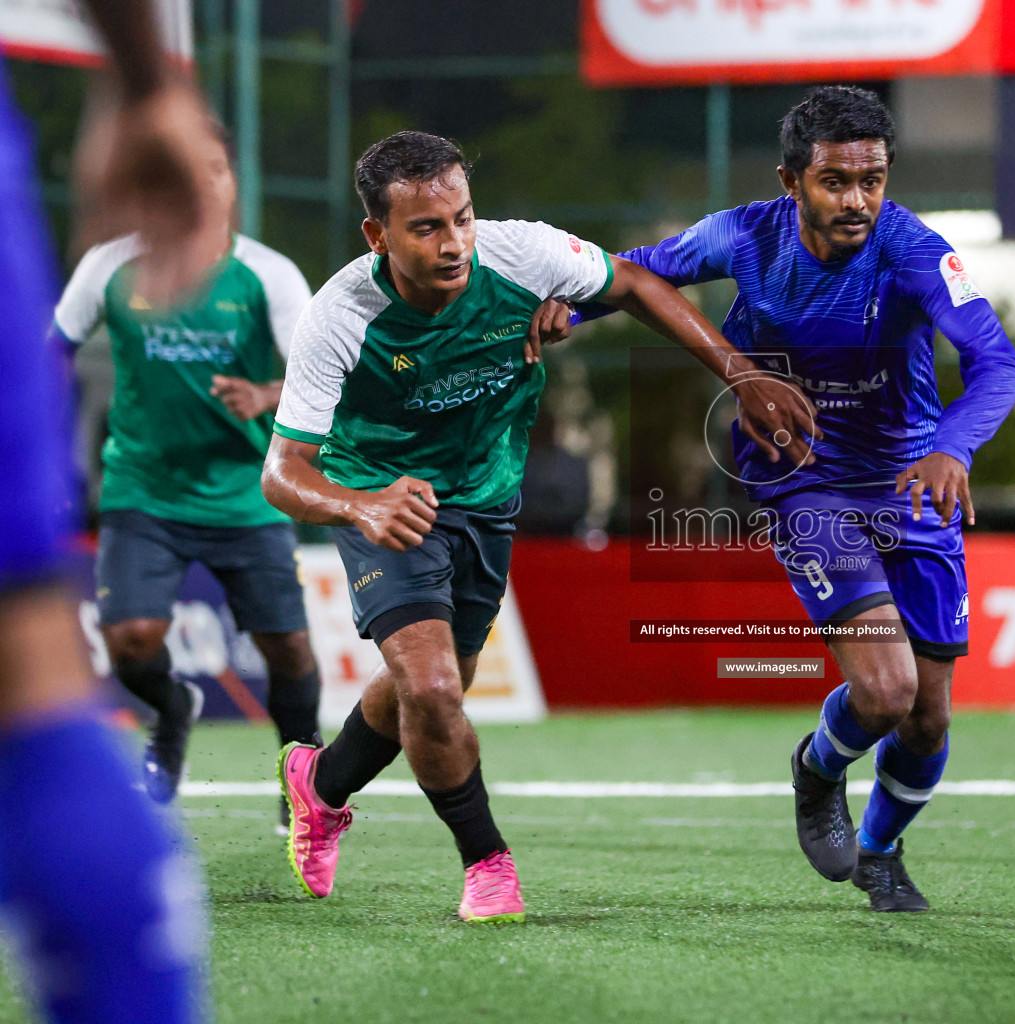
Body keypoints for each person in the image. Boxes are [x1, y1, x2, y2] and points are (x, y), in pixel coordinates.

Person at [262, 131, 815, 923]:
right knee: (433, 685)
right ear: (376, 236)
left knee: (426, 688)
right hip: (385, 500)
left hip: (488, 495)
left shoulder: (520, 255)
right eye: (426, 228)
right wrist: (358, 504)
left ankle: (320, 786)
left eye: (462, 218)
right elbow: (282, 474)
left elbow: (632, 283)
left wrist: (742, 372)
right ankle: (487, 862)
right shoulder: (341, 314)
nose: (454, 243)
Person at [534, 86, 1015, 912]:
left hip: (908, 479)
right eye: (836, 180)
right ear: (792, 179)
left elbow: (998, 361)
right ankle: (818, 768)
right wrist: (569, 313)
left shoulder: (914, 249)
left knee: (929, 716)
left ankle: (881, 850)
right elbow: (638, 275)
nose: (857, 200)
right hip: (800, 477)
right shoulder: (745, 234)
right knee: (885, 692)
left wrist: (950, 446)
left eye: (871, 179)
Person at [0, 1, 226, 1021]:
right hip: (147, 500)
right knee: (26, 664)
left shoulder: (264, 284)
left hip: (229, 505)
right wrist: (144, 79)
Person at [53, 121, 322, 816]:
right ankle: (173, 709)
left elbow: (321, 375)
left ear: (232, 182)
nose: (201, 185)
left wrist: (264, 395)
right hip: (143, 491)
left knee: (288, 648)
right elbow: (50, 354)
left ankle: (304, 782)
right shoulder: (109, 266)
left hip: (247, 494)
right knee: (132, 643)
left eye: (215, 170)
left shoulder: (268, 274)